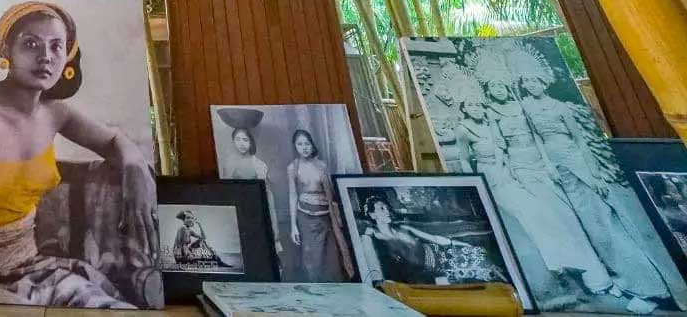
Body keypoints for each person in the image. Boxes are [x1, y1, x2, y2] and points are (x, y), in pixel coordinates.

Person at [0, 2, 158, 308]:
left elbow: (114, 140)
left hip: (29, 266)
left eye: (56, 46)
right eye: (31, 44)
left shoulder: (54, 113)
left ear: (67, 56)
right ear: (7, 50)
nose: (45, 56)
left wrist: (135, 171)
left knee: (116, 308)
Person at [520, 74, 680, 310]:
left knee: (604, 222)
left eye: (535, 81)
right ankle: (617, 279)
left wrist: (593, 173)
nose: (532, 85)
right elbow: (537, 138)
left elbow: (579, 139)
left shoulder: (561, 107)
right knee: (588, 228)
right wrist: (548, 164)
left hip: (576, 160)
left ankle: (647, 286)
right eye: (528, 82)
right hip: (556, 167)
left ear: (543, 83)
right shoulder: (528, 108)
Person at [357, 193, 504, 286]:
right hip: (430, 271)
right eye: (381, 208)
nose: (388, 211)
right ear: (372, 215)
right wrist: (367, 234)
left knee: (480, 254)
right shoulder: (374, 237)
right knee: (473, 272)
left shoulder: (403, 227)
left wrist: (462, 244)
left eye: (387, 207)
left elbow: (435, 238)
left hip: (442, 253)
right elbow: (377, 270)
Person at [286, 129, 353, 281]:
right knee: (312, 260)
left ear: (312, 145)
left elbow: (332, 194)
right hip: (306, 219)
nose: (304, 147)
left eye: (307, 143)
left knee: (332, 258)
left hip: (327, 217)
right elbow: (293, 195)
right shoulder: (292, 168)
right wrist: (293, 226)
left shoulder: (322, 165)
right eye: (300, 144)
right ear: (295, 146)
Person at [217, 125, 283, 254]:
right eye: (238, 139)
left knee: (259, 250)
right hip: (237, 213)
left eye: (245, 140)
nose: (241, 144)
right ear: (233, 141)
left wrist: (274, 229)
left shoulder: (259, 165)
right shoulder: (228, 164)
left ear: (251, 142)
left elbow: (268, 196)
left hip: (256, 212)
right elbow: (225, 193)